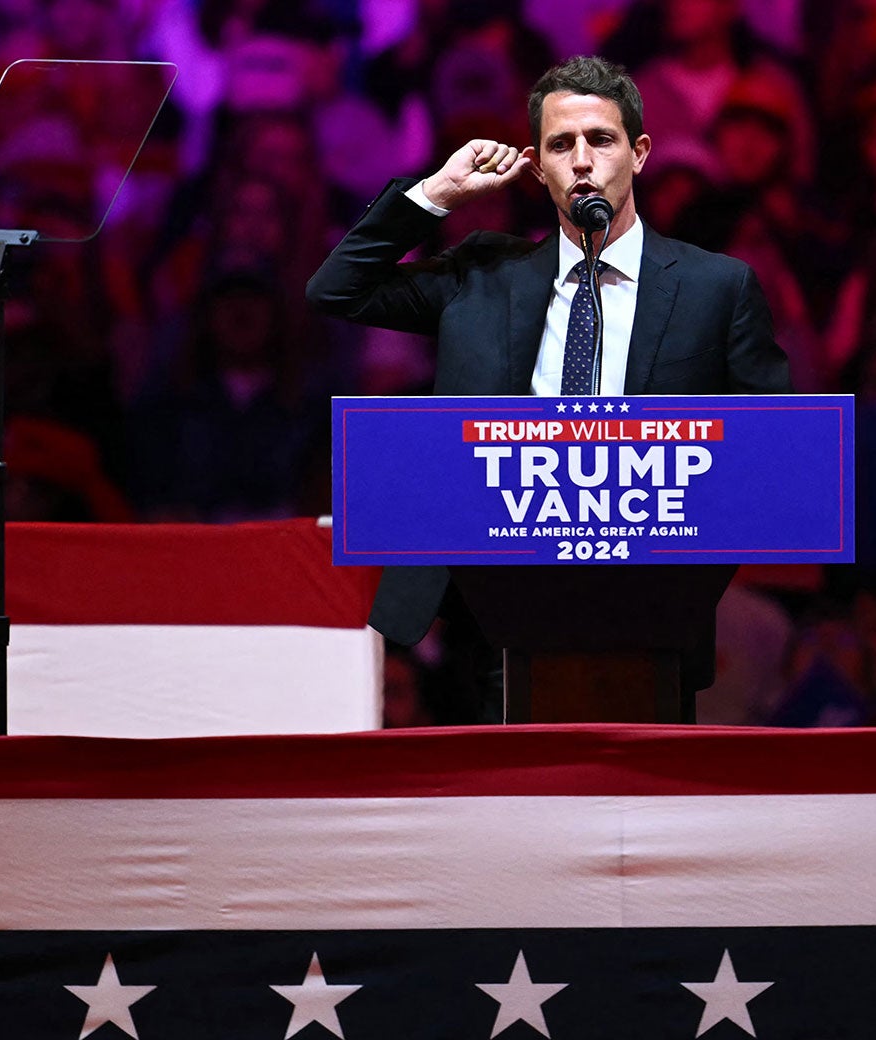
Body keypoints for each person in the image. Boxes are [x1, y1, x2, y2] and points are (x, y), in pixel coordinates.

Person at [306, 55, 791, 721]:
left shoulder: (718, 288)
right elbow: (337, 289)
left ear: (639, 153)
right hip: (487, 613)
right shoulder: (483, 273)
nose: (583, 160)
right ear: (538, 167)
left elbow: (773, 453)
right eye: (561, 145)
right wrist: (435, 195)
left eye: (601, 139)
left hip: (651, 611)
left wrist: (688, 582)